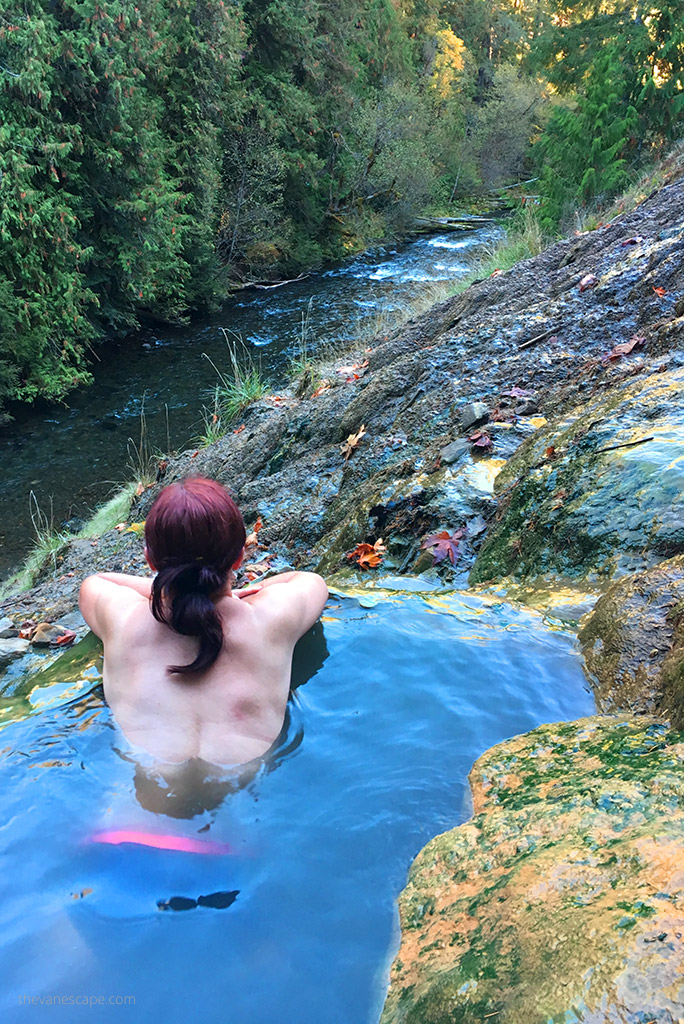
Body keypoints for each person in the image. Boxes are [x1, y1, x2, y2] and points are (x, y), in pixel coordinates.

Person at [79, 476, 328, 766]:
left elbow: (97, 581)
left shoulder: (122, 618)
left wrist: (167, 590)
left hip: (143, 781)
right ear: (238, 558)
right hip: (248, 785)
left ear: (150, 561)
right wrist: (230, 596)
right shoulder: (271, 619)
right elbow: (309, 581)